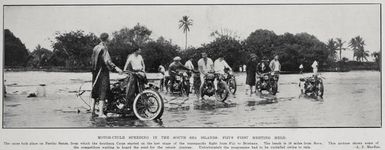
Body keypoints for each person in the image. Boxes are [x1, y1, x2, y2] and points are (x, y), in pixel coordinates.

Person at [91, 33, 123, 118]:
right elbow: (108, 61)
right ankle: (101, 113)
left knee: (94, 91)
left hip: (95, 72)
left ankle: (92, 111)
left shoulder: (95, 48)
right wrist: (116, 69)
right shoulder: (104, 48)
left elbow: (92, 61)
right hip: (103, 72)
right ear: (107, 39)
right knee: (103, 91)